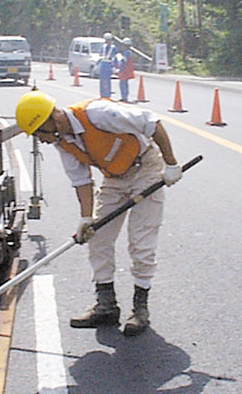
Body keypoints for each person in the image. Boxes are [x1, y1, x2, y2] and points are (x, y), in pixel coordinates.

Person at [15, 91, 183, 336]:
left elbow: (151, 123)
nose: (41, 141)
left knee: (141, 242)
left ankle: (140, 309)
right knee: (98, 237)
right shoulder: (63, 143)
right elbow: (81, 180)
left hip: (145, 167)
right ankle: (106, 305)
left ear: (51, 120)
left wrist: (170, 164)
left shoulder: (97, 114)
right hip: (114, 178)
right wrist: (86, 219)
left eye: (40, 134)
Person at [98, 32, 117, 99]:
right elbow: (100, 55)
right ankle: (102, 94)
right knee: (102, 80)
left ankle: (107, 94)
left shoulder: (113, 47)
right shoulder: (103, 47)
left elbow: (115, 57)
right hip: (103, 63)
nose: (107, 41)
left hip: (109, 64)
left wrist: (114, 66)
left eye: (108, 39)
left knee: (107, 80)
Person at [117, 37, 135, 103]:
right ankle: (125, 97)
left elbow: (124, 62)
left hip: (124, 70)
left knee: (123, 84)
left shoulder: (126, 53)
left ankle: (124, 97)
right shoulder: (129, 52)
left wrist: (120, 69)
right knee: (125, 84)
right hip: (127, 70)